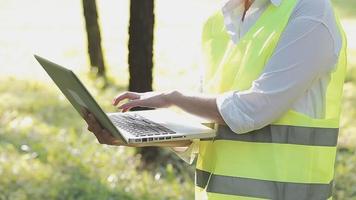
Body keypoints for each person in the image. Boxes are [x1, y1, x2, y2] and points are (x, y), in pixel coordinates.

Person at [83, 0, 347, 199]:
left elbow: (251, 111)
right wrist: (136, 135)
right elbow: (204, 128)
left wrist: (172, 98)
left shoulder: (311, 15)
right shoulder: (217, 22)